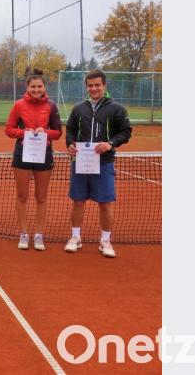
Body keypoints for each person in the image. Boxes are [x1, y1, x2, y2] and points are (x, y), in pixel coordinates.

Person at [65, 69, 132, 258]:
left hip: (104, 163)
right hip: (80, 162)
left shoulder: (117, 109)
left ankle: (105, 241)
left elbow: (125, 132)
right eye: (90, 85)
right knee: (78, 201)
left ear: (104, 85)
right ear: (86, 87)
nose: (93, 88)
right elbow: (70, 130)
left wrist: (110, 143)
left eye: (97, 85)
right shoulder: (78, 108)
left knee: (105, 203)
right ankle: (75, 238)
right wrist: (70, 144)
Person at [5, 68, 62, 251]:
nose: (36, 89)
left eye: (39, 86)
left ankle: (38, 235)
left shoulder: (51, 106)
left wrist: (45, 132)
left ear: (44, 87)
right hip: (22, 154)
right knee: (22, 196)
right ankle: (23, 233)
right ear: (27, 87)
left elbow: (58, 132)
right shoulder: (18, 105)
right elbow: (9, 129)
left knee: (41, 197)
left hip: (44, 155)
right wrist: (24, 133)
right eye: (33, 86)